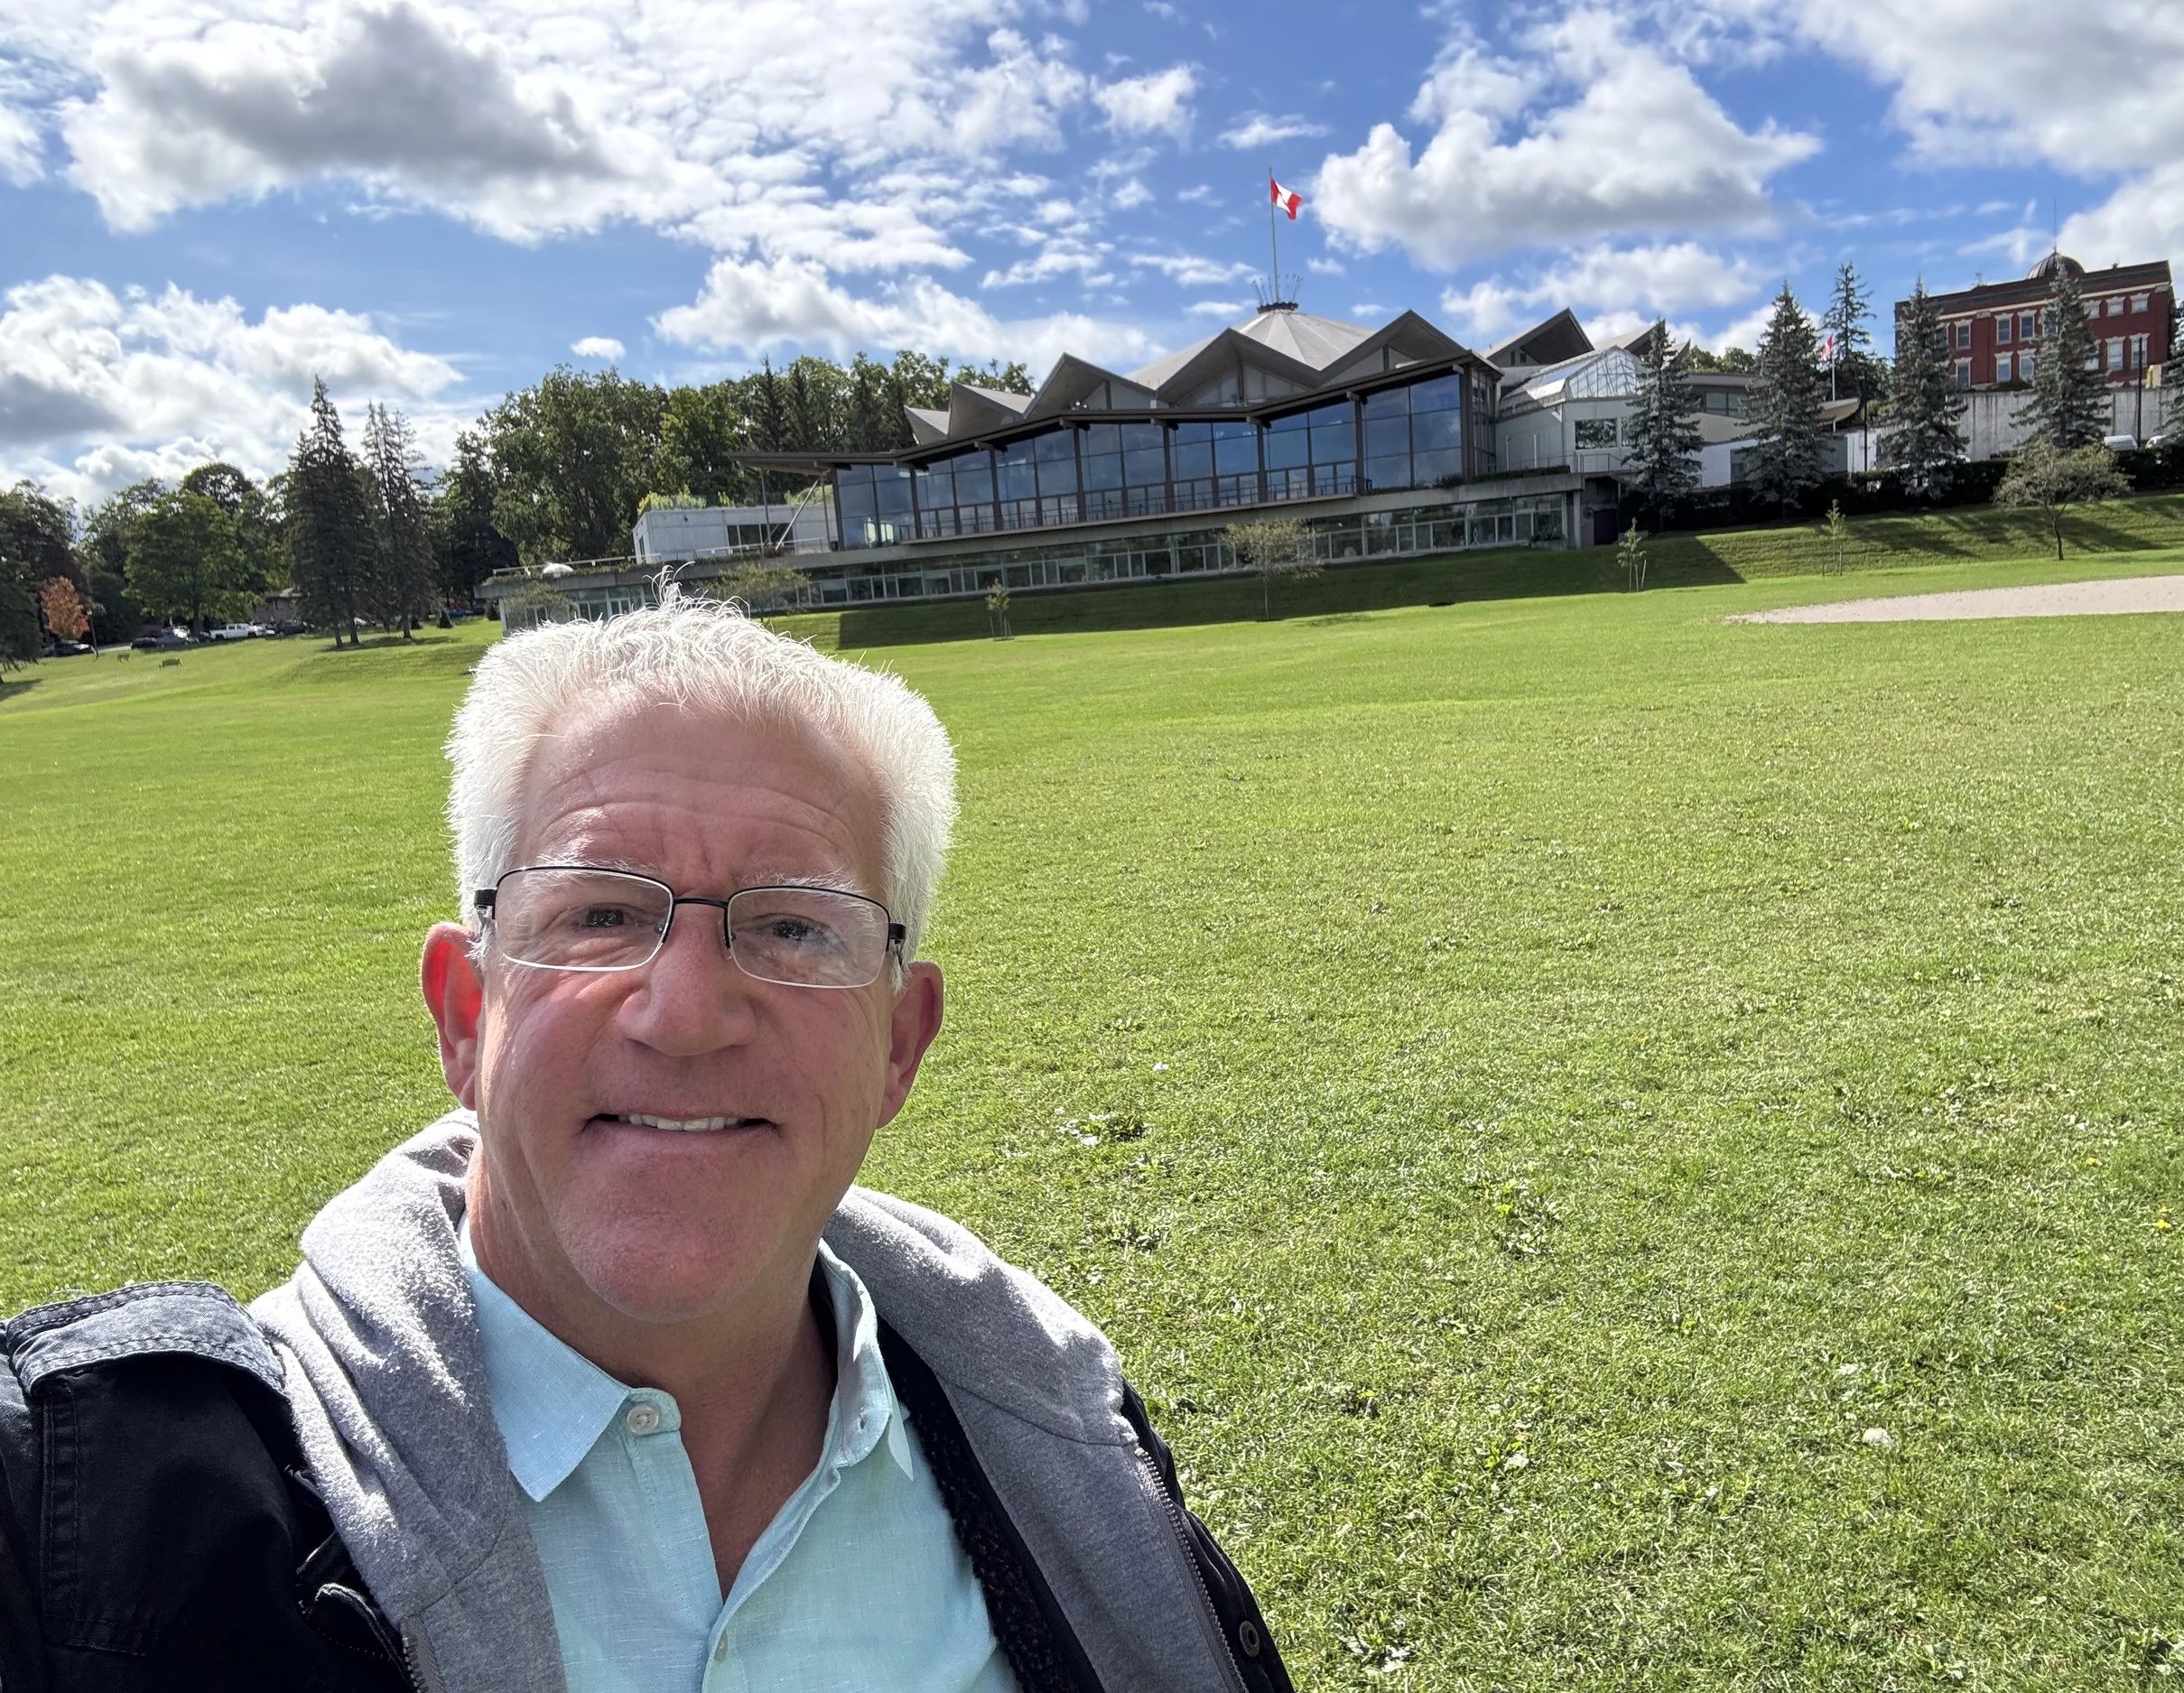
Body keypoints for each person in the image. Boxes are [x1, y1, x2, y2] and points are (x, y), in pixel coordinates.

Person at [0, 595, 1292, 1693]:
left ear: (899, 1046)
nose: (684, 1014)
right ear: (466, 1014)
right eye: (601, 913)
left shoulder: (1069, 1443)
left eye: (794, 926)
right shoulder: (82, 1522)